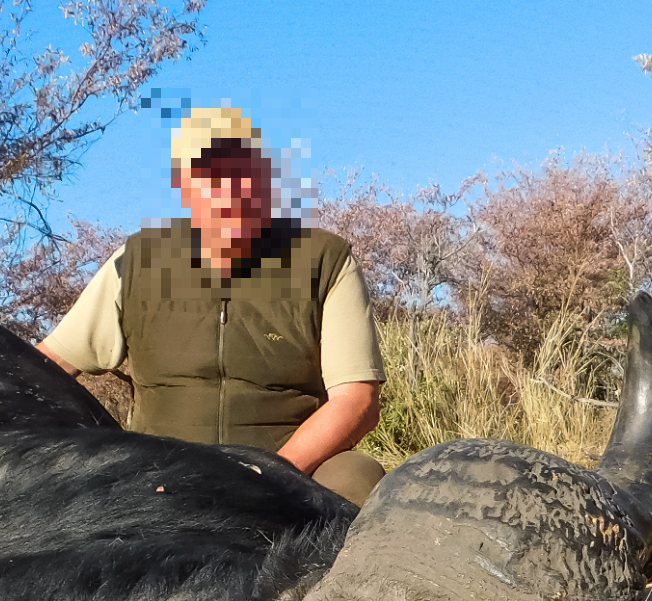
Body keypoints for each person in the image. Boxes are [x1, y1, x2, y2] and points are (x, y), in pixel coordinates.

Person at [37, 106, 388, 504]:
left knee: (359, 479)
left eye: (244, 172)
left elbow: (356, 399)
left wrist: (266, 473)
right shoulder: (137, 259)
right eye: (211, 177)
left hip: (289, 471)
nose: (231, 191)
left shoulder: (324, 259)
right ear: (184, 186)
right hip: (158, 471)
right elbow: (48, 367)